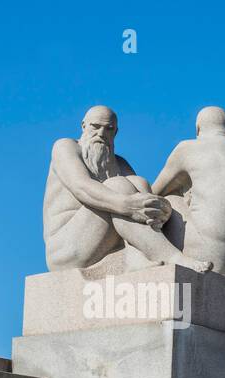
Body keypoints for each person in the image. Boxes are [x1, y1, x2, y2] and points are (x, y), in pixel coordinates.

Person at [43, 106, 211, 273]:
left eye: (109, 129)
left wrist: (160, 209)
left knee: (139, 182)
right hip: (66, 247)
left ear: (115, 133)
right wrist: (127, 204)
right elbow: (81, 187)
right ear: (83, 126)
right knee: (117, 186)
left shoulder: (120, 163)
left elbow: (143, 199)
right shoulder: (65, 147)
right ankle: (172, 257)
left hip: (102, 243)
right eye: (95, 126)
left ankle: (137, 258)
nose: (101, 134)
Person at [152, 106, 225, 281]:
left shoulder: (188, 148)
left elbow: (153, 194)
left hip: (208, 259)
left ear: (198, 129)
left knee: (167, 200)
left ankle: (145, 261)